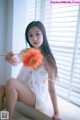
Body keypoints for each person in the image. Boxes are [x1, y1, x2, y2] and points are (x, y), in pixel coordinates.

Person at [0, 21, 62, 120]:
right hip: (23, 90)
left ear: (44, 35)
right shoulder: (25, 51)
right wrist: (11, 60)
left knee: (10, 81)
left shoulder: (48, 60)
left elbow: (52, 88)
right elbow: (16, 61)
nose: (34, 38)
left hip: (36, 96)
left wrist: (56, 112)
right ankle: (3, 117)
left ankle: (8, 118)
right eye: (31, 35)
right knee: (1, 88)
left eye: (37, 34)